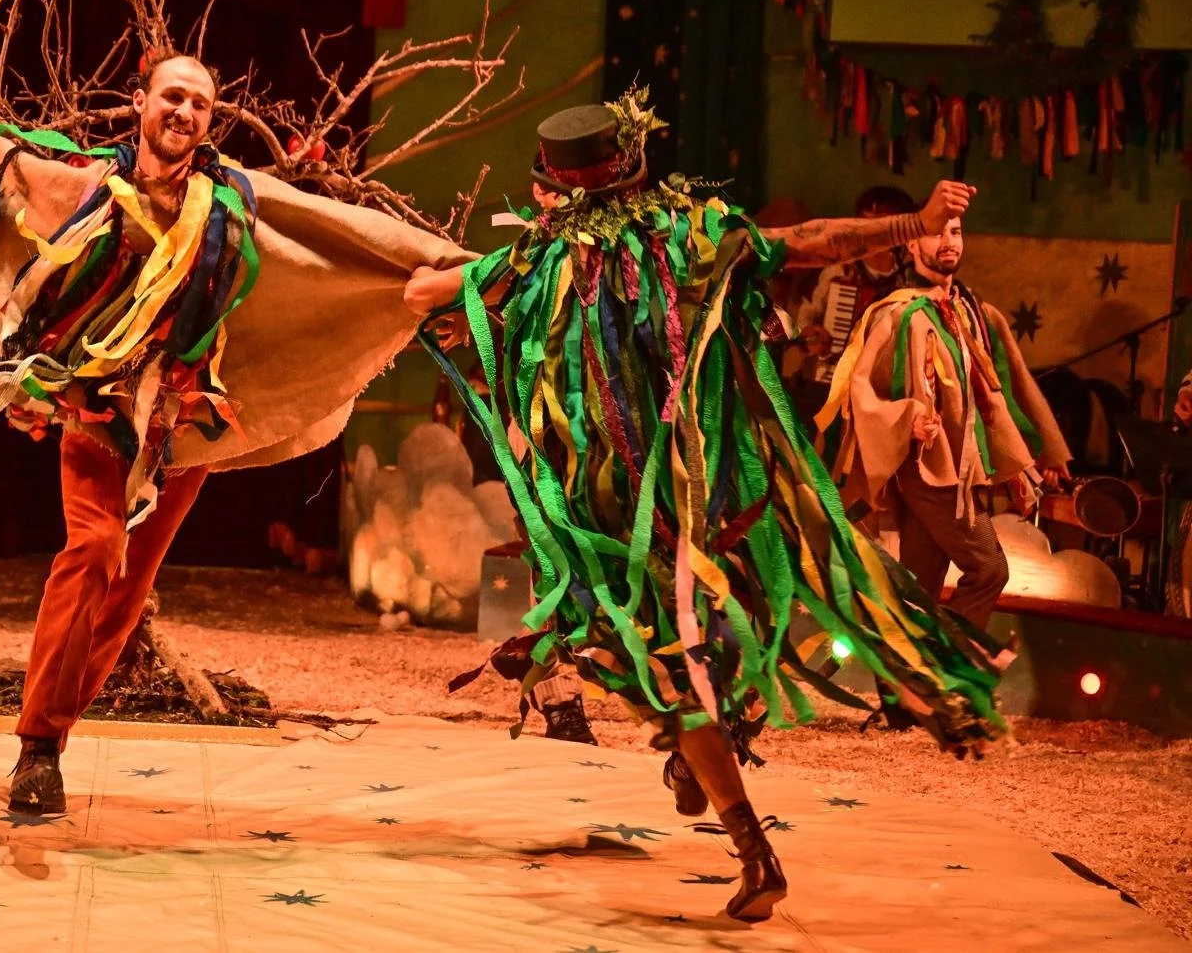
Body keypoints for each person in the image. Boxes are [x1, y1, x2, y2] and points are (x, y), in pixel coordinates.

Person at [403, 95, 1005, 922]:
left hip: (614, 524)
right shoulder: (686, 235)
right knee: (722, 639)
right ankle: (723, 783)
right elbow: (807, 243)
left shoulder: (536, 262)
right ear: (635, 162)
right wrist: (915, 223)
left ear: (554, 185)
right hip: (707, 496)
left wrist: (431, 271)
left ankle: (747, 838)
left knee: (673, 669)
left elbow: (425, 293)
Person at [0, 53, 472, 814]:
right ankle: (37, 746)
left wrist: (446, 274)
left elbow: (329, 235)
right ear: (141, 104)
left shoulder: (235, 203)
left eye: (199, 104)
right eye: (172, 97)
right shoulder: (86, 185)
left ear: (209, 122)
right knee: (91, 550)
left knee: (125, 595)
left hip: (180, 429)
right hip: (98, 411)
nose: (183, 111)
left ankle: (52, 739)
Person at [816, 213, 1072, 637]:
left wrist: (1048, 449)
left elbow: (1010, 381)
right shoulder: (897, 314)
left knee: (918, 592)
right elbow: (863, 392)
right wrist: (907, 419)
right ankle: (951, 673)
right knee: (989, 570)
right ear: (912, 246)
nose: (947, 241)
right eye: (935, 233)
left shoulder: (969, 311)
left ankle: (905, 694)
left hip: (962, 468)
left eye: (955, 232)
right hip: (930, 473)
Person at [794, 185, 915, 387]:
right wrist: (810, 335)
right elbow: (807, 316)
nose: (871, 235)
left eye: (882, 227)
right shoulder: (839, 272)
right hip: (837, 382)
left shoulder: (911, 278)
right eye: (865, 225)